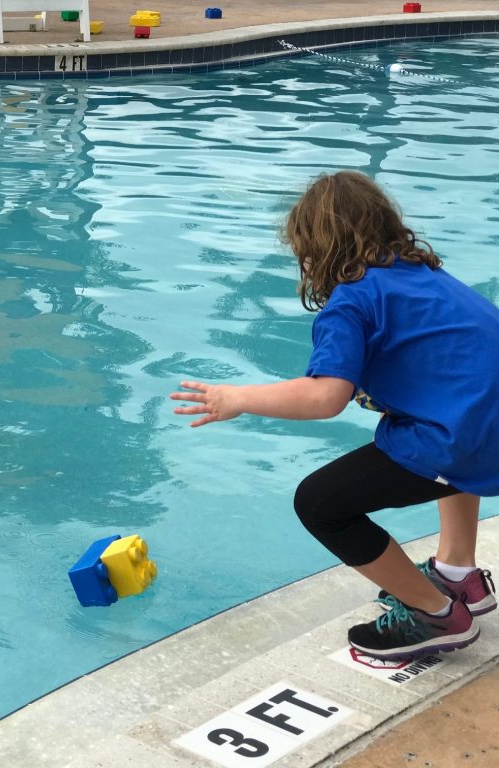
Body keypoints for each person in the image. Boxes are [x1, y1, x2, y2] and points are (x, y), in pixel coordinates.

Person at [170, 170, 498, 660]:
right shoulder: (427, 274)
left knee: (321, 503)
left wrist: (237, 399)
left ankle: (437, 613)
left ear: (315, 249)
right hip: (486, 423)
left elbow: (325, 397)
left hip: (467, 437)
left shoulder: (353, 299)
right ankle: (458, 574)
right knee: (438, 433)